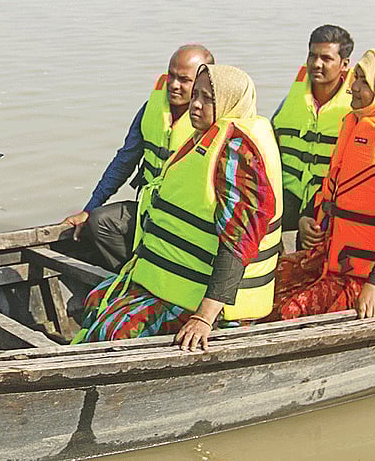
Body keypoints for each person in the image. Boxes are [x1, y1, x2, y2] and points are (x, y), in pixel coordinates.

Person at [73, 64, 282, 351]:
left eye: (208, 98)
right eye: (195, 94)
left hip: (209, 303)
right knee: (98, 299)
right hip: (175, 284)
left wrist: (204, 317)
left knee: (116, 331)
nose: (195, 104)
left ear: (230, 102)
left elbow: (239, 240)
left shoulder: (237, 153)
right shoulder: (206, 137)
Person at [271, 46, 375, 321]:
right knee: (268, 283)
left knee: (287, 313)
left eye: (364, 82)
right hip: (336, 260)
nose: (353, 88)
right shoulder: (358, 126)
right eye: (355, 78)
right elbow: (335, 192)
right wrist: (311, 222)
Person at [60, 44, 214, 271]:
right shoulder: (152, 109)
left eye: (184, 80)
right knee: (100, 222)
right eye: (170, 75)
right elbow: (124, 162)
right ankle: (135, 273)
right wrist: (89, 208)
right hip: (149, 209)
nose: (173, 85)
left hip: (188, 220)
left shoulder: (214, 120)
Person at [271, 25, 354, 231]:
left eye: (326, 58)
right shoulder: (292, 99)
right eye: (312, 56)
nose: (317, 64)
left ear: (344, 64)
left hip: (327, 204)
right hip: (286, 198)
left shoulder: (355, 107)